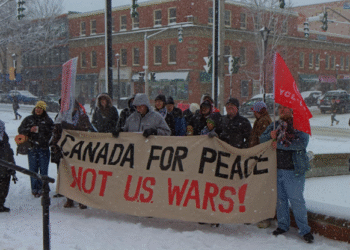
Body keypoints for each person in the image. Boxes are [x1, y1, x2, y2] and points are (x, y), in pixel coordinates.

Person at [260, 105, 314, 243]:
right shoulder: (275, 125)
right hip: (277, 169)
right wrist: (269, 136)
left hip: (294, 170)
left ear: (292, 110)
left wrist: (278, 144)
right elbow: (262, 139)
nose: (282, 111)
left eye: (286, 108)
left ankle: (305, 230)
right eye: (280, 109)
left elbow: (301, 144)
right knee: (281, 200)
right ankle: (283, 226)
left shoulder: (299, 124)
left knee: (297, 201)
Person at [50, 99, 94, 208]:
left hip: (80, 152)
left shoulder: (83, 117)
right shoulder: (60, 117)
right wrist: (55, 148)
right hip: (66, 151)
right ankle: (69, 198)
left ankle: (81, 199)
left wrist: (71, 128)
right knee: (68, 175)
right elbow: (56, 133)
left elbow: (88, 131)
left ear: (75, 107)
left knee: (81, 176)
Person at [18, 101, 54, 198]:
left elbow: (53, 133)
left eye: (41, 108)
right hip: (32, 147)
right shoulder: (29, 119)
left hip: (43, 148)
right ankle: (34, 189)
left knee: (43, 170)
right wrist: (29, 130)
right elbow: (20, 130)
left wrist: (45, 139)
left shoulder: (48, 120)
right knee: (33, 170)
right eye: (37, 108)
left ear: (44, 110)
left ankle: (43, 188)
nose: (38, 110)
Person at [248, 101, 273, 228]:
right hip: (258, 157)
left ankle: (264, 216)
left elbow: (261, 140)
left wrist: (255, 152)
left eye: (255, 110)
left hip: (261, 158)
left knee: (261, 188)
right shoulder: (262, 120)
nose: (253, 113)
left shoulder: (263, 121)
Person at [0, 120, 16, 212]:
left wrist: (12, 163)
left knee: (4, 185)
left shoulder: (4, 135)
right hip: (3, 162)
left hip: (5, 164)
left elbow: (8, 149)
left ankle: (0, 204)